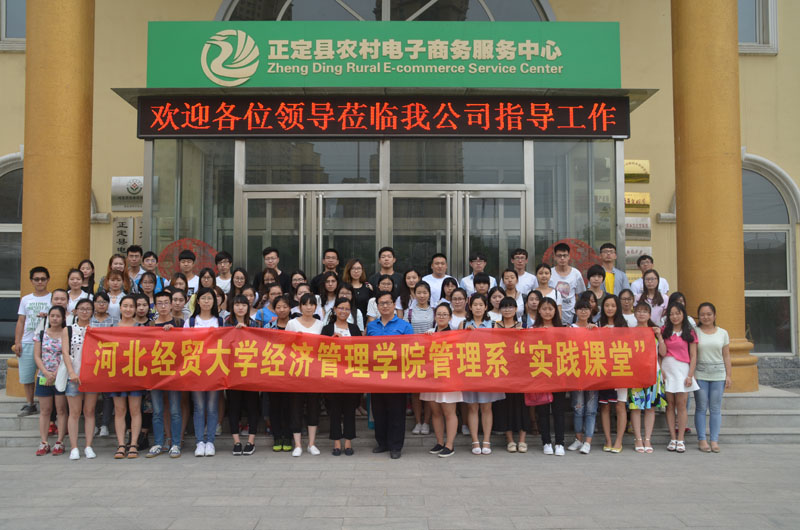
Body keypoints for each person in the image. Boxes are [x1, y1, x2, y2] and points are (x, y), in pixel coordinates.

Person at [366, 290, 415, 459]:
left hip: (397, 377)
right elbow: (365, 349)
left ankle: (395, 446)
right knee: (379, 412)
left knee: (396, 412)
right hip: (376, 376)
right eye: (381, 303)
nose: (385, 306)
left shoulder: (404, 326)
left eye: (388, 303)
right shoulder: (371, 326)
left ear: (394, 305)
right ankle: (382, 443)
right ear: (377, 306)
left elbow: (411, 350)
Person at [460, 293, 504, 455]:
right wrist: (465, 334)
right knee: (472, 407)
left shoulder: (493, 324)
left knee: (487, 407)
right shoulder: (463, 324)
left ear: (486, 307)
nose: (478, 308)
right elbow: (457, 346)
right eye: (475, 305)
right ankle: (474, 441)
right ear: (470, 307)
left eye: (481, 305)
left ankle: (486, 440)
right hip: (470, 369)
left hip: (488, 370)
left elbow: (500, 346)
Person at [184, 288, 224, 457]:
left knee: (212, 407)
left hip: (214, 368)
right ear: (198, 301)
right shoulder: (191, 321)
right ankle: (200, 441)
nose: (206, 301)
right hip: (196, 369)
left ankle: (210, 441)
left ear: (214, 301)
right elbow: (183, 343)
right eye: (203, 298)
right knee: (199, 407)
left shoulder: (220, 321)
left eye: (210, 298)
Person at [322, 297, 362, 456]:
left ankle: (348, 442)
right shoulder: (327, 329)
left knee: (350, 410)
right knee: (335, 410)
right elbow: (320, 351)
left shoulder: (354, 328)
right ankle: (336, 442)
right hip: (332, 376)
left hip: (351, 376)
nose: (343, 311)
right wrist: (331, 342)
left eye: (347, 309)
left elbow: (361, 351)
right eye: (341, 308)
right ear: (335, 309)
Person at [285, 293, 324, 457]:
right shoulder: (292, 323)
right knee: (296, 407)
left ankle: (311, 444)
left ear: (316, 307)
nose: (308, 307)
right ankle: (298, 444)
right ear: (300, 306)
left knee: (314, 407)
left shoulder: (321, 324)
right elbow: (285, 346)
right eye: (305, 304)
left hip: (315, 373)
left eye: (312, 304)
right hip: (296, 372)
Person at [420, 303, 461, 458]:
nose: (441, 317)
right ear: (435, 316)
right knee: (435, 412)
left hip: (449, 378)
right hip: (432, 378)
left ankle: (449, 444)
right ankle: (439, 442)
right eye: (439, 314)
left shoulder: (455, 334)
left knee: (449, 412)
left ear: (450, 317)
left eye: (445, 314)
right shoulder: (429, 333)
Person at [147, 291, 183, 458]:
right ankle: (158, 443)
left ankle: (175, 443)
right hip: (155, 373)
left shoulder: (179, 323)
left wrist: (174, 332)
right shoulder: (150, 325)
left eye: (166, 303)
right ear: (155, 306)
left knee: (175, 410)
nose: (163, 306)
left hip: (174, 373)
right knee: (157, 411)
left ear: (171, 304)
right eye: (159, 303)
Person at [628, 302, 667, 454]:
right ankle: (638, 438)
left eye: (645, 311)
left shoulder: (654, 331)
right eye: (639, 311)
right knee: (636, 407)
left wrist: (659, 336)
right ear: (634, 314)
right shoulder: (630, 332)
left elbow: (663, 352)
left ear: (650, 315)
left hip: (653, 372)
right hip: (635, 374)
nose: (641, 314)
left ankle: (648, 439)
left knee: (650, 407)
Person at [492, 297, 529, 454]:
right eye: (504, 307)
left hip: (520, 372)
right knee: (505, 406)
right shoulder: (495, 325)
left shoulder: (522, 326)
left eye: (510, 307)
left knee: (521, 406)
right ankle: (510, 440)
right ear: (500, 310)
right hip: (502, 371)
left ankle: (522, 440)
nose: (507, 310)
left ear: (516, 309)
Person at [14, 266, 52, 417]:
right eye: (37, 279)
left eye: (43, 279)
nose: (40, 282)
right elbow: (21, 321)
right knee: (27, 375)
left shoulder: (53, 297)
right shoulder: (26, 299)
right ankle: (30, 404)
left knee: (47, 374)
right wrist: (17, 342)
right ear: (31, 281)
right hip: (28, 341)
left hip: (48, 341)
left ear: (48, 280)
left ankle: (49, 405)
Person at [661, 302, 700, 453]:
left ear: (683, 314)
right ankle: (672, 437)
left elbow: (694, 355)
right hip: (667, 369)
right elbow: (660, 353)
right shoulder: (664, 330)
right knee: (669, 405)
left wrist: (690, 375)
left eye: (677, 313)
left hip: (683, 370)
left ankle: (681, 439)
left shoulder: (690, 332)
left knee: (681, 405)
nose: (674, 317)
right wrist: (661, 371)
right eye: (671, 314)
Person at [111, 295, 146, 459]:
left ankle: (133, 444)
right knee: (119, 410)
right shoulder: (112, 328)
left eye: (131, 306)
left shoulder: (141, 328)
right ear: (120, 308)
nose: (128, 309)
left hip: (135, 374)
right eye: (125, 306)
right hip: (117, 374)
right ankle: (121, 444)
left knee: (135, 409)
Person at [225, 295, 260, 456]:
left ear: (248, 307)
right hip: (232, 373)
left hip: (251, 373)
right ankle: (236, 442)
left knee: (253, 406)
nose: (240, 308)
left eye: (243, 305)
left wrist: (247, 331)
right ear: (232, 307)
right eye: (237, 305)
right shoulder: (226, 324)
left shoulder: (255, 325)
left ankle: (251, 441)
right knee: (234, 407)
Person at [62, 299, 97, 460]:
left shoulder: (96, 330)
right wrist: (71, 372)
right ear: (75, 311)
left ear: (92, 312)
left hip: (91, 377)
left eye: (88, 309)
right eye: (81, 309)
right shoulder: (68, 330)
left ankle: (88, 446)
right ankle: (74, 447)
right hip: (74, 376)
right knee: (74, 412)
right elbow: (65, 352)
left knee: (89, 411)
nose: (84, 312)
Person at [694, 302, 731, 453]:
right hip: (700, 373)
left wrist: (728, 375)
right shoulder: (695, 332)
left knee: (715, 408)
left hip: (718, 374)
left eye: (709, 314)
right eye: (702, 314)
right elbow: (693, 355)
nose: (706, 317)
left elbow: (726, 356)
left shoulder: (723, 333)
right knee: (701, 407)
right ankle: (702, 440)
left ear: (715, 316)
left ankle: (714, 440)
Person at [33, 305, 69, 456]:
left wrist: (55, 373)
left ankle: (60, 442)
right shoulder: (41, 334)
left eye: (58, 316)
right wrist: (46, 373)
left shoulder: (66, 333)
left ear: (63, 318)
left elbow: (67, 355)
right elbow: (37, 356)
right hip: (44, 377)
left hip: (61, 376)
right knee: (45, 410)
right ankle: (44, 442)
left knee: (61, 409)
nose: (54, 319)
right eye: (52, 316)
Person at [533, 298, 566, 456]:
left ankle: (560, 442)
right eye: (544, 309)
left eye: (550, 309)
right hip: (540, 374)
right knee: (543, 410)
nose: (547, 312)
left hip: (559, 374)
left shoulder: (563, 330)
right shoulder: (532, 329)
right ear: (539, 310)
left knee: (559, 410)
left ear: (555, 311)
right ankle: (546, 441)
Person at [597, 294, 628, 453]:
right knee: (605, 406)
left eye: (613, 306)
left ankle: (619, 440)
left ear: (618, 308)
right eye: (607, 305)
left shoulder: (624, 326)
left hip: (621, 369)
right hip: (603, 370)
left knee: (620, 405)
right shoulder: (598, 324)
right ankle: (608, 439)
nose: (610, 308)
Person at [567, 298, 598, 454]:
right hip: (576, 373)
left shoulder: (595, 328)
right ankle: (578, 439)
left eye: (587, 309)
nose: (584, 311)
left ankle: (588, 441)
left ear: (591, 311)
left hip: (592, 372)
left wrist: (596, 330)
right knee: (578, 408)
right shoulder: (569, 328)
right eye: (580, 309)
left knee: (591, 409)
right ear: (575, 311)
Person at [89, 293, 118, 439]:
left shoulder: (115, 321)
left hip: (108, 360)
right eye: (98, 302)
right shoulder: (88, 320)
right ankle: (93, 424)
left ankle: (105, 424)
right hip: (91, 362)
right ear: (93, 303)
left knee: (107, 396)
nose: (101, 304)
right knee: (92, 395)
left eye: (104, 302)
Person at [406, 282, 434, 436]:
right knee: (416, 391)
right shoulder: (408, 312)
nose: (422, 296)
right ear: (414, 294)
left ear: (429, 294)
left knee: (428, 391)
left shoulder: (435, 311)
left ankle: (427, 422)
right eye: (419, 293)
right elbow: (405, 333)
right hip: (414, 355)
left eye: (425, 293)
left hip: (431, 356)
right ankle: (417, 422)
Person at [266, 295, 293, 453]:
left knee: (288, 406)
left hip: (292, 372)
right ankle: (277, 437)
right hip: (273, 372)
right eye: (278, 307)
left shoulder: (295, 325)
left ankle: (288, 436)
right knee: (274, 406)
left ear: (290, 308)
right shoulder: (268, 326)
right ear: (274, 309)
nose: (282, 310)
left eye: (285, 307)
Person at [550, 242, 586, 325]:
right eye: (559, 256)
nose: (562, 258)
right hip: (553, 315)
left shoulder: (576, 273)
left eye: (565, 255)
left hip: (572, 316)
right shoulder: (549, 273)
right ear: (554, 257)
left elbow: (579, 295)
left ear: (569, 256)